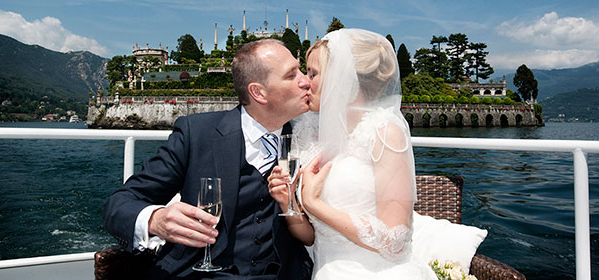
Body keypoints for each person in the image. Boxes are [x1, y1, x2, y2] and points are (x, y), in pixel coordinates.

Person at [103, 39, 313, 279]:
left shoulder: (308, 139)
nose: (306, 80)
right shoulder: (197, 134)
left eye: (303, 71)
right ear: (258, 92)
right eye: (291, 75)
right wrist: (156, 219)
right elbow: (119, 204)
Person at [268, 29, 437, 279]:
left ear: (342, 78)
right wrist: (288, 202)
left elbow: (395, 243)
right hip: (324, 266)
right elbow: (312, 237)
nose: (304, 81)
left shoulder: (384, 133)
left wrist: (314, 203)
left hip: (375, 270)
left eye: (313, 73)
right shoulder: (308, 133)